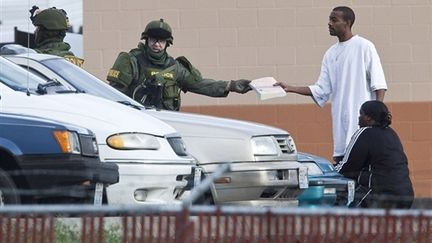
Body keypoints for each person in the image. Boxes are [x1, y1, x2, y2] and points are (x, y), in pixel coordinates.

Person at [275, 6, 387, 162]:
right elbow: (321, 89)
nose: (329, 23)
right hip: (341, 125)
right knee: (345, 168)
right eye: (329, 19)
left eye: (334, 20)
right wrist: (290, 88)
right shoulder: (330, 54)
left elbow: (379, 84)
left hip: (364, 125)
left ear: (347, 23)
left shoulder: (364, 46)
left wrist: (376, 117)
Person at [107, 19, 252, 111]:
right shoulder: (130, 61)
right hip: (136, 120)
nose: (157, 43)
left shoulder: (175, 67)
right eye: (153, 39)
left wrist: (232, 86)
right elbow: (112, 94)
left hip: (167, 122)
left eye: (161, 41)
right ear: (146, 39)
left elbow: (200, 84)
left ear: (167, 43)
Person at [334, 100, 414, 209]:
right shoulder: (391, 133)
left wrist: (332, 169)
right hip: (406, 193)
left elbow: (348, 166)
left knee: (350, 218)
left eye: (361, 114)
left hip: (381, 193)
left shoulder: (365, 132)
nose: (358, 118)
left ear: (369, 118)